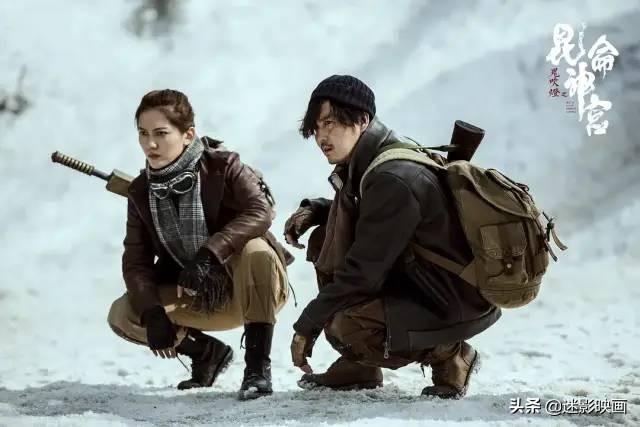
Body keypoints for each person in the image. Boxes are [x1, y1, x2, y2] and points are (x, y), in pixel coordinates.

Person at [286, 75, 501, 398]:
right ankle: (359, 365)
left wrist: (308, 324)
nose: (321, 137)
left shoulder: (393, 176)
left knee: (346, 325)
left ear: (362, 120)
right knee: (325, 240)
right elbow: (374, 220)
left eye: (329, 123)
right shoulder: (376, 157)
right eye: (316, 128)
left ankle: (452, 354)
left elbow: (362, 273)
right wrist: (318, 210)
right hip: (428, 284)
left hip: (449, 300)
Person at [107, 89, 292, 400]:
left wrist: (209, 254)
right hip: (197, 296)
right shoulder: (141, 190)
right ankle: (206, 353)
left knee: (255, 250)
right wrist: (153, 313)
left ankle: (257, 370)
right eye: (143, 133)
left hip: (257, 288)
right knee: (123, 313)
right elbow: (136, 261)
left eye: (161, 133)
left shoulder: (223, 166)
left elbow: (259, 212)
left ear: (188, 135)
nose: (150, 144)